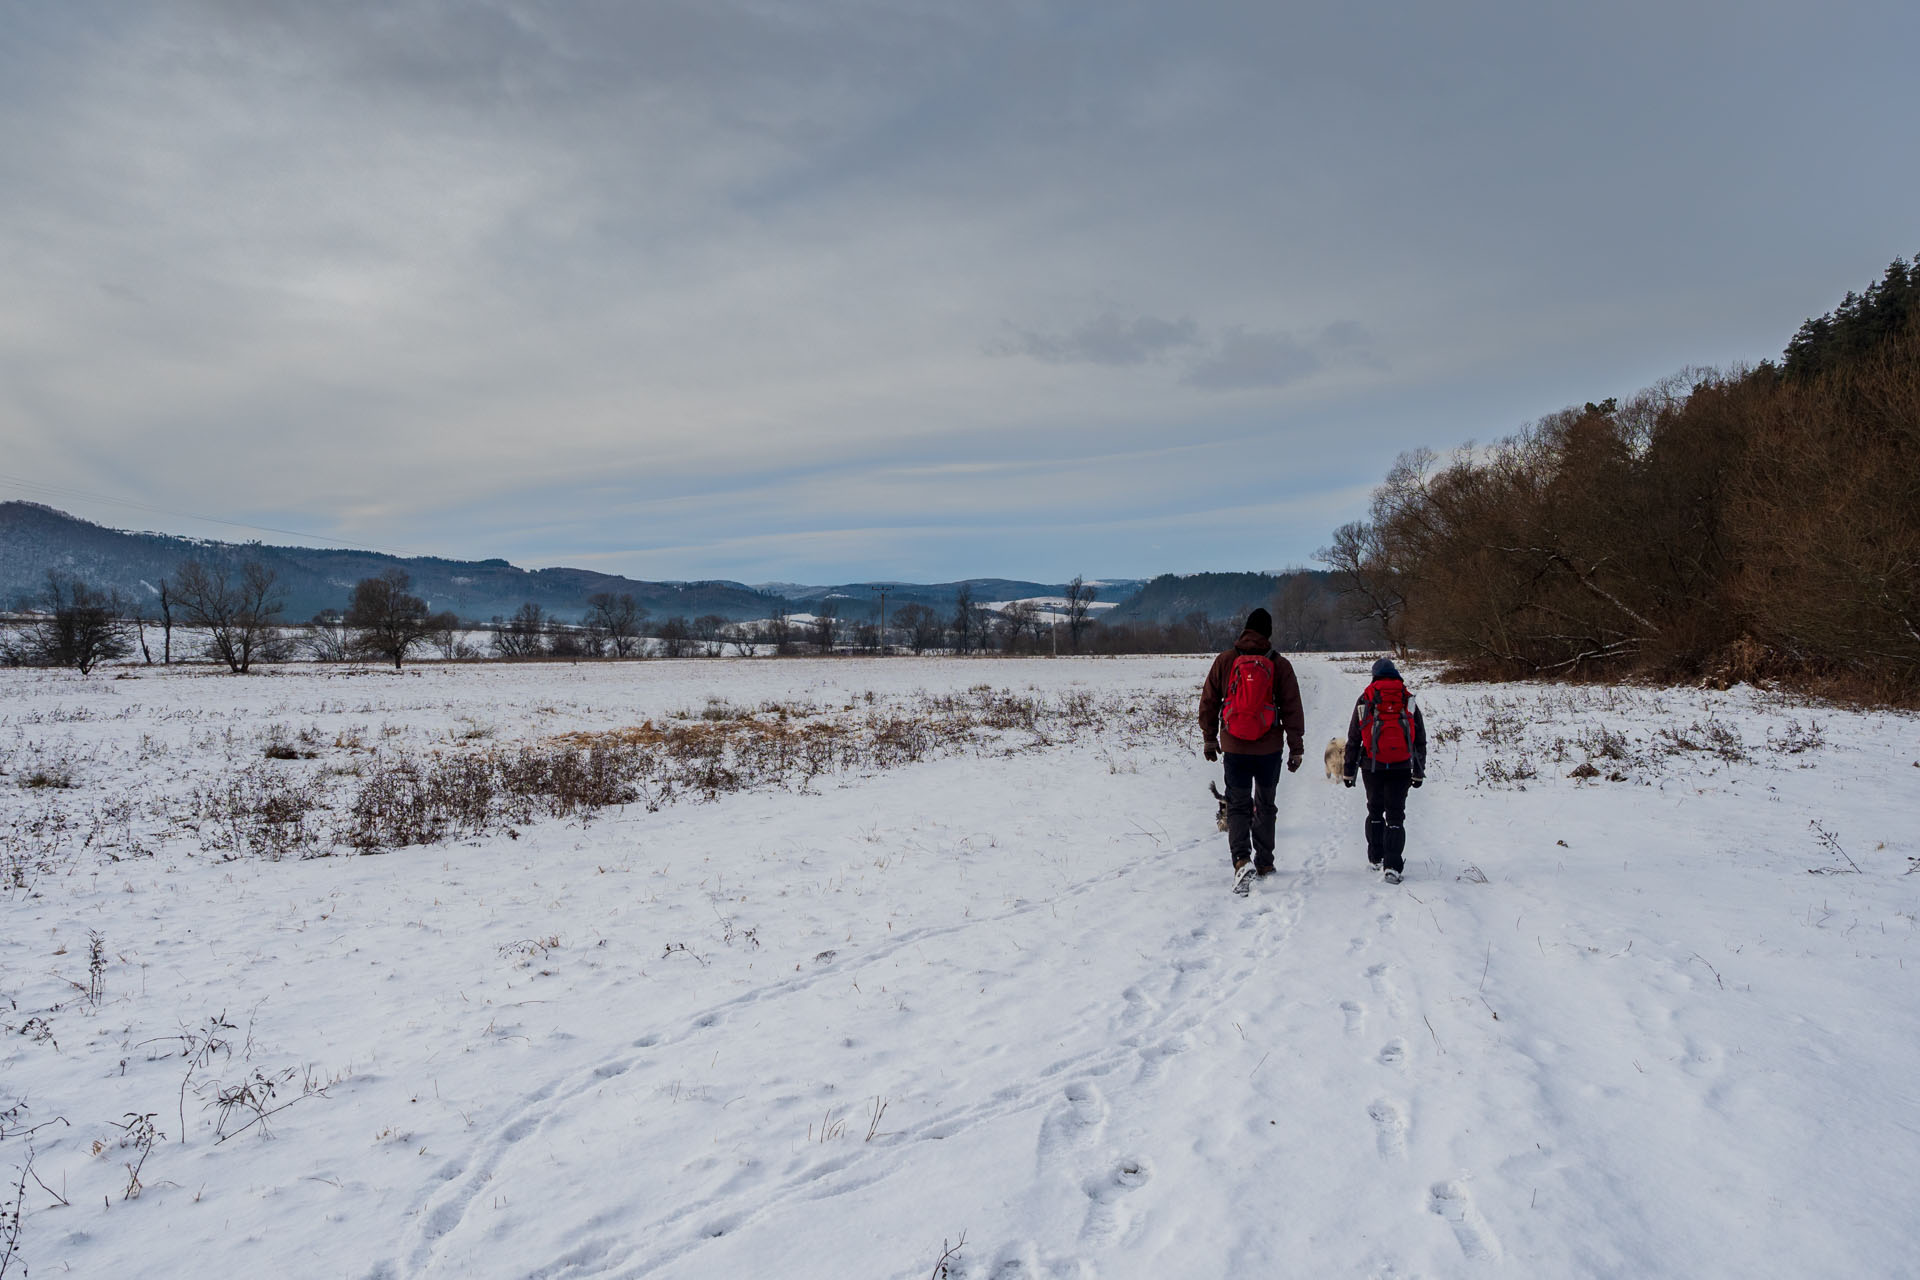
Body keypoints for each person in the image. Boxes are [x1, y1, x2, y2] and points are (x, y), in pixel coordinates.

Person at [1199, 608, 1305, 893]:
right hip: (1269, 749)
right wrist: (1296, 748)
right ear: (1268, 633)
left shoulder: (1225, 660)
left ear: (1245, 630)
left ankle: (1240, 860)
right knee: (1266, 804)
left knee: (1237, 804)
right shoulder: (1279, 665)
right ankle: (1265, 862)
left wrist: (1210, 739)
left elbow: (1209, 701)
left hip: (1234, 746)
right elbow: (1292, 708)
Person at [1342, 657, 1427, 884]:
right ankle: (1393, 866)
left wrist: (1348, 771)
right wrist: (1418, 771)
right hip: (1401, 765)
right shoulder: (1407, 699)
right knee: (1396, 815)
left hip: (1372, 766)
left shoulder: (1365, 699)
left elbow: (1354, 738)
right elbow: (1419, 739)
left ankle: (1375, 857)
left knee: (1375, 810)